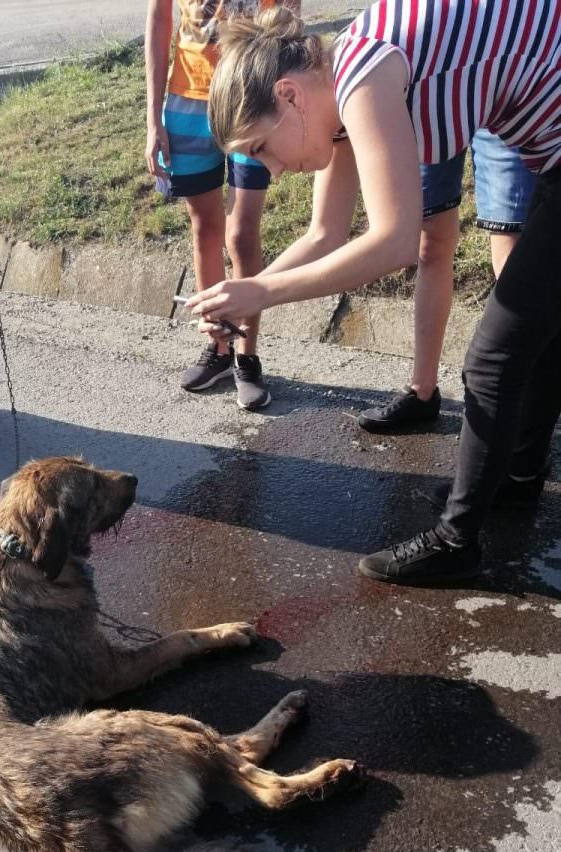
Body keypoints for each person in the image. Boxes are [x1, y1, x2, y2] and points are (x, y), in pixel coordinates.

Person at [186, 0, 561, 585]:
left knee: (492, 358)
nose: (274, 170)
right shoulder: (336, 89)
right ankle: (514, 479)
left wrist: (261, 295)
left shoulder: (362, 73)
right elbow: (326, 234)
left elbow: (391, 244)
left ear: (288, 96)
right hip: (551, 156)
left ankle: (456, 542)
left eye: (261, 149)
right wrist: (246, 291)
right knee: (536, 327)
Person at [145, 0, 285, 411]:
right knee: (205, 230)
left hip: (250, 97)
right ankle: (218, 347)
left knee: (241, 234)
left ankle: (247, 355)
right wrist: (154, 118)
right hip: (187, 102)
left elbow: (289, 18)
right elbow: (158, 20)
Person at [358, 130, 535, 434]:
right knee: (431, 240)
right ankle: (422, 391)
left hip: (504, 98)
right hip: (439, 97)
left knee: (511, 258)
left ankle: (525, 419)